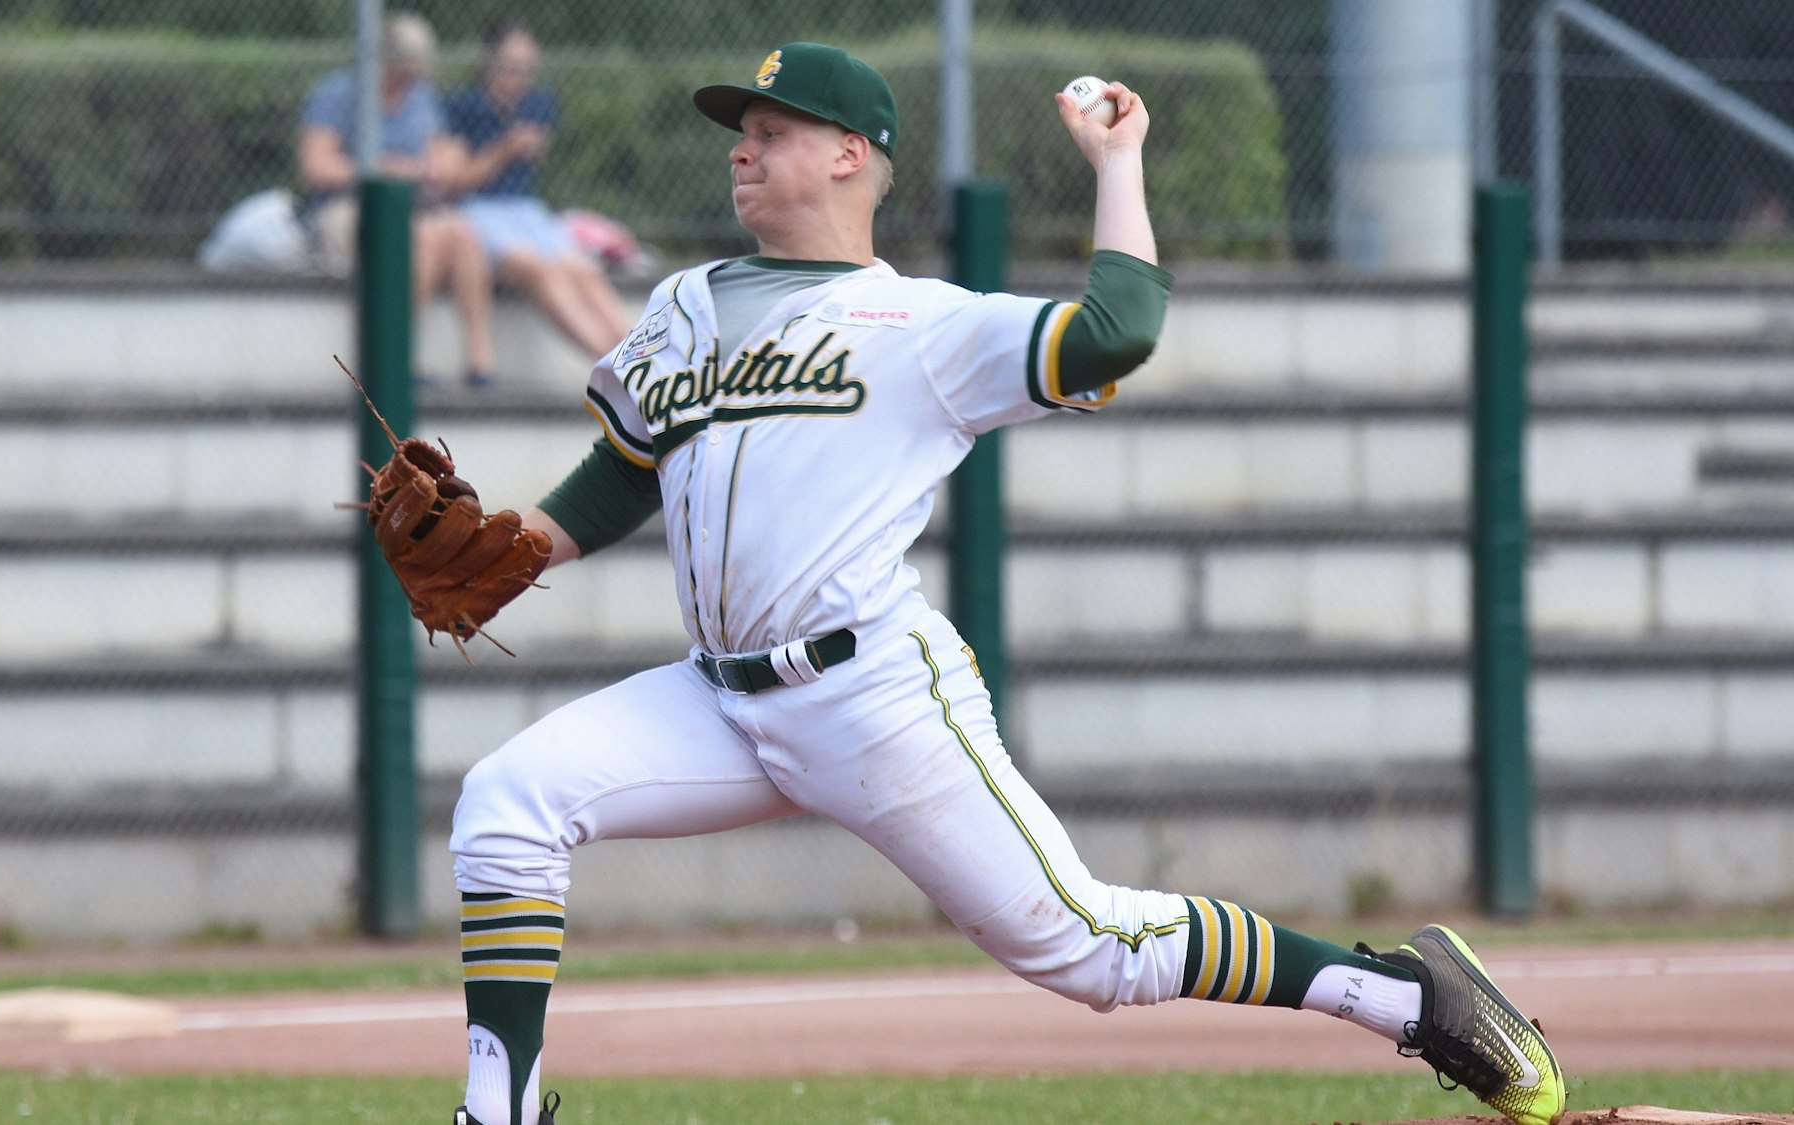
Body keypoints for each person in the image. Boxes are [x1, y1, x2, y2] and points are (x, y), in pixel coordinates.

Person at [443, 43, 1567, 1125]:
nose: (741, 150)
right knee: (507, 803)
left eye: (771, 131)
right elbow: (617, 479)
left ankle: (1405, 998)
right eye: (740, 133)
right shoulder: (679, 309)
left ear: (848, 155)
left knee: (1091, 950)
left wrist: (1116, 167)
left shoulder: (923, 326)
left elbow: (1115, 332)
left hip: (867, 694)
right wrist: (506, 547)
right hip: (715, 700)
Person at [298, 11, 498, 388]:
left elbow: (444, 149)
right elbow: (316, 165)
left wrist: (443, 162)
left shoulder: (420, 99)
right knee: (417, 237)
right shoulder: (339, 92)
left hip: (415, 208)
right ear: (383, 61)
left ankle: (480, 361)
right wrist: (379, 170)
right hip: (347, 207)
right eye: (401, 72)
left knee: (462, 233)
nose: (408, 82)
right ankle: (400, 357)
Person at [444, 20, 634, 364]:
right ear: (489, 64)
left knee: (583, 269)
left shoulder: (537, 103)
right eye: (512, 67)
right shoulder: (461, 106)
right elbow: (456, 180)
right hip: (479, 209)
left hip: (526, 208)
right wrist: (505, 150)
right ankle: (616, 367)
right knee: (543, 271)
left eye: (527, 69)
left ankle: (647, 361)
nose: (520, 78)